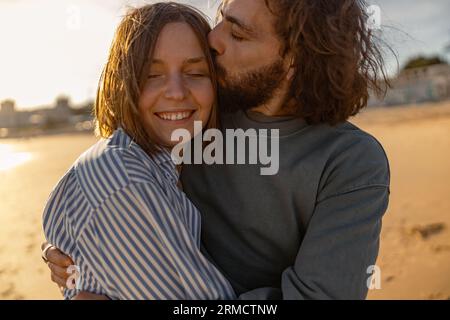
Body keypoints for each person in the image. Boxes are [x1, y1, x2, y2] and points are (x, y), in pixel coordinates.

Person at [44, 0, 391, 300]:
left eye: (237, 34)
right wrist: (79, 255)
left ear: (295, 59)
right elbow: (119, 171)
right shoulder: (200, 112)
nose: (213, 38)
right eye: (222, 18)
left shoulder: (349, 160)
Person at [42, 2, 236, 300]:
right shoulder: (124, 180)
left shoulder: (168, 165)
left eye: (195, 72)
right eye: (152, 74)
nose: (176, 91)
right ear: (122, 83)